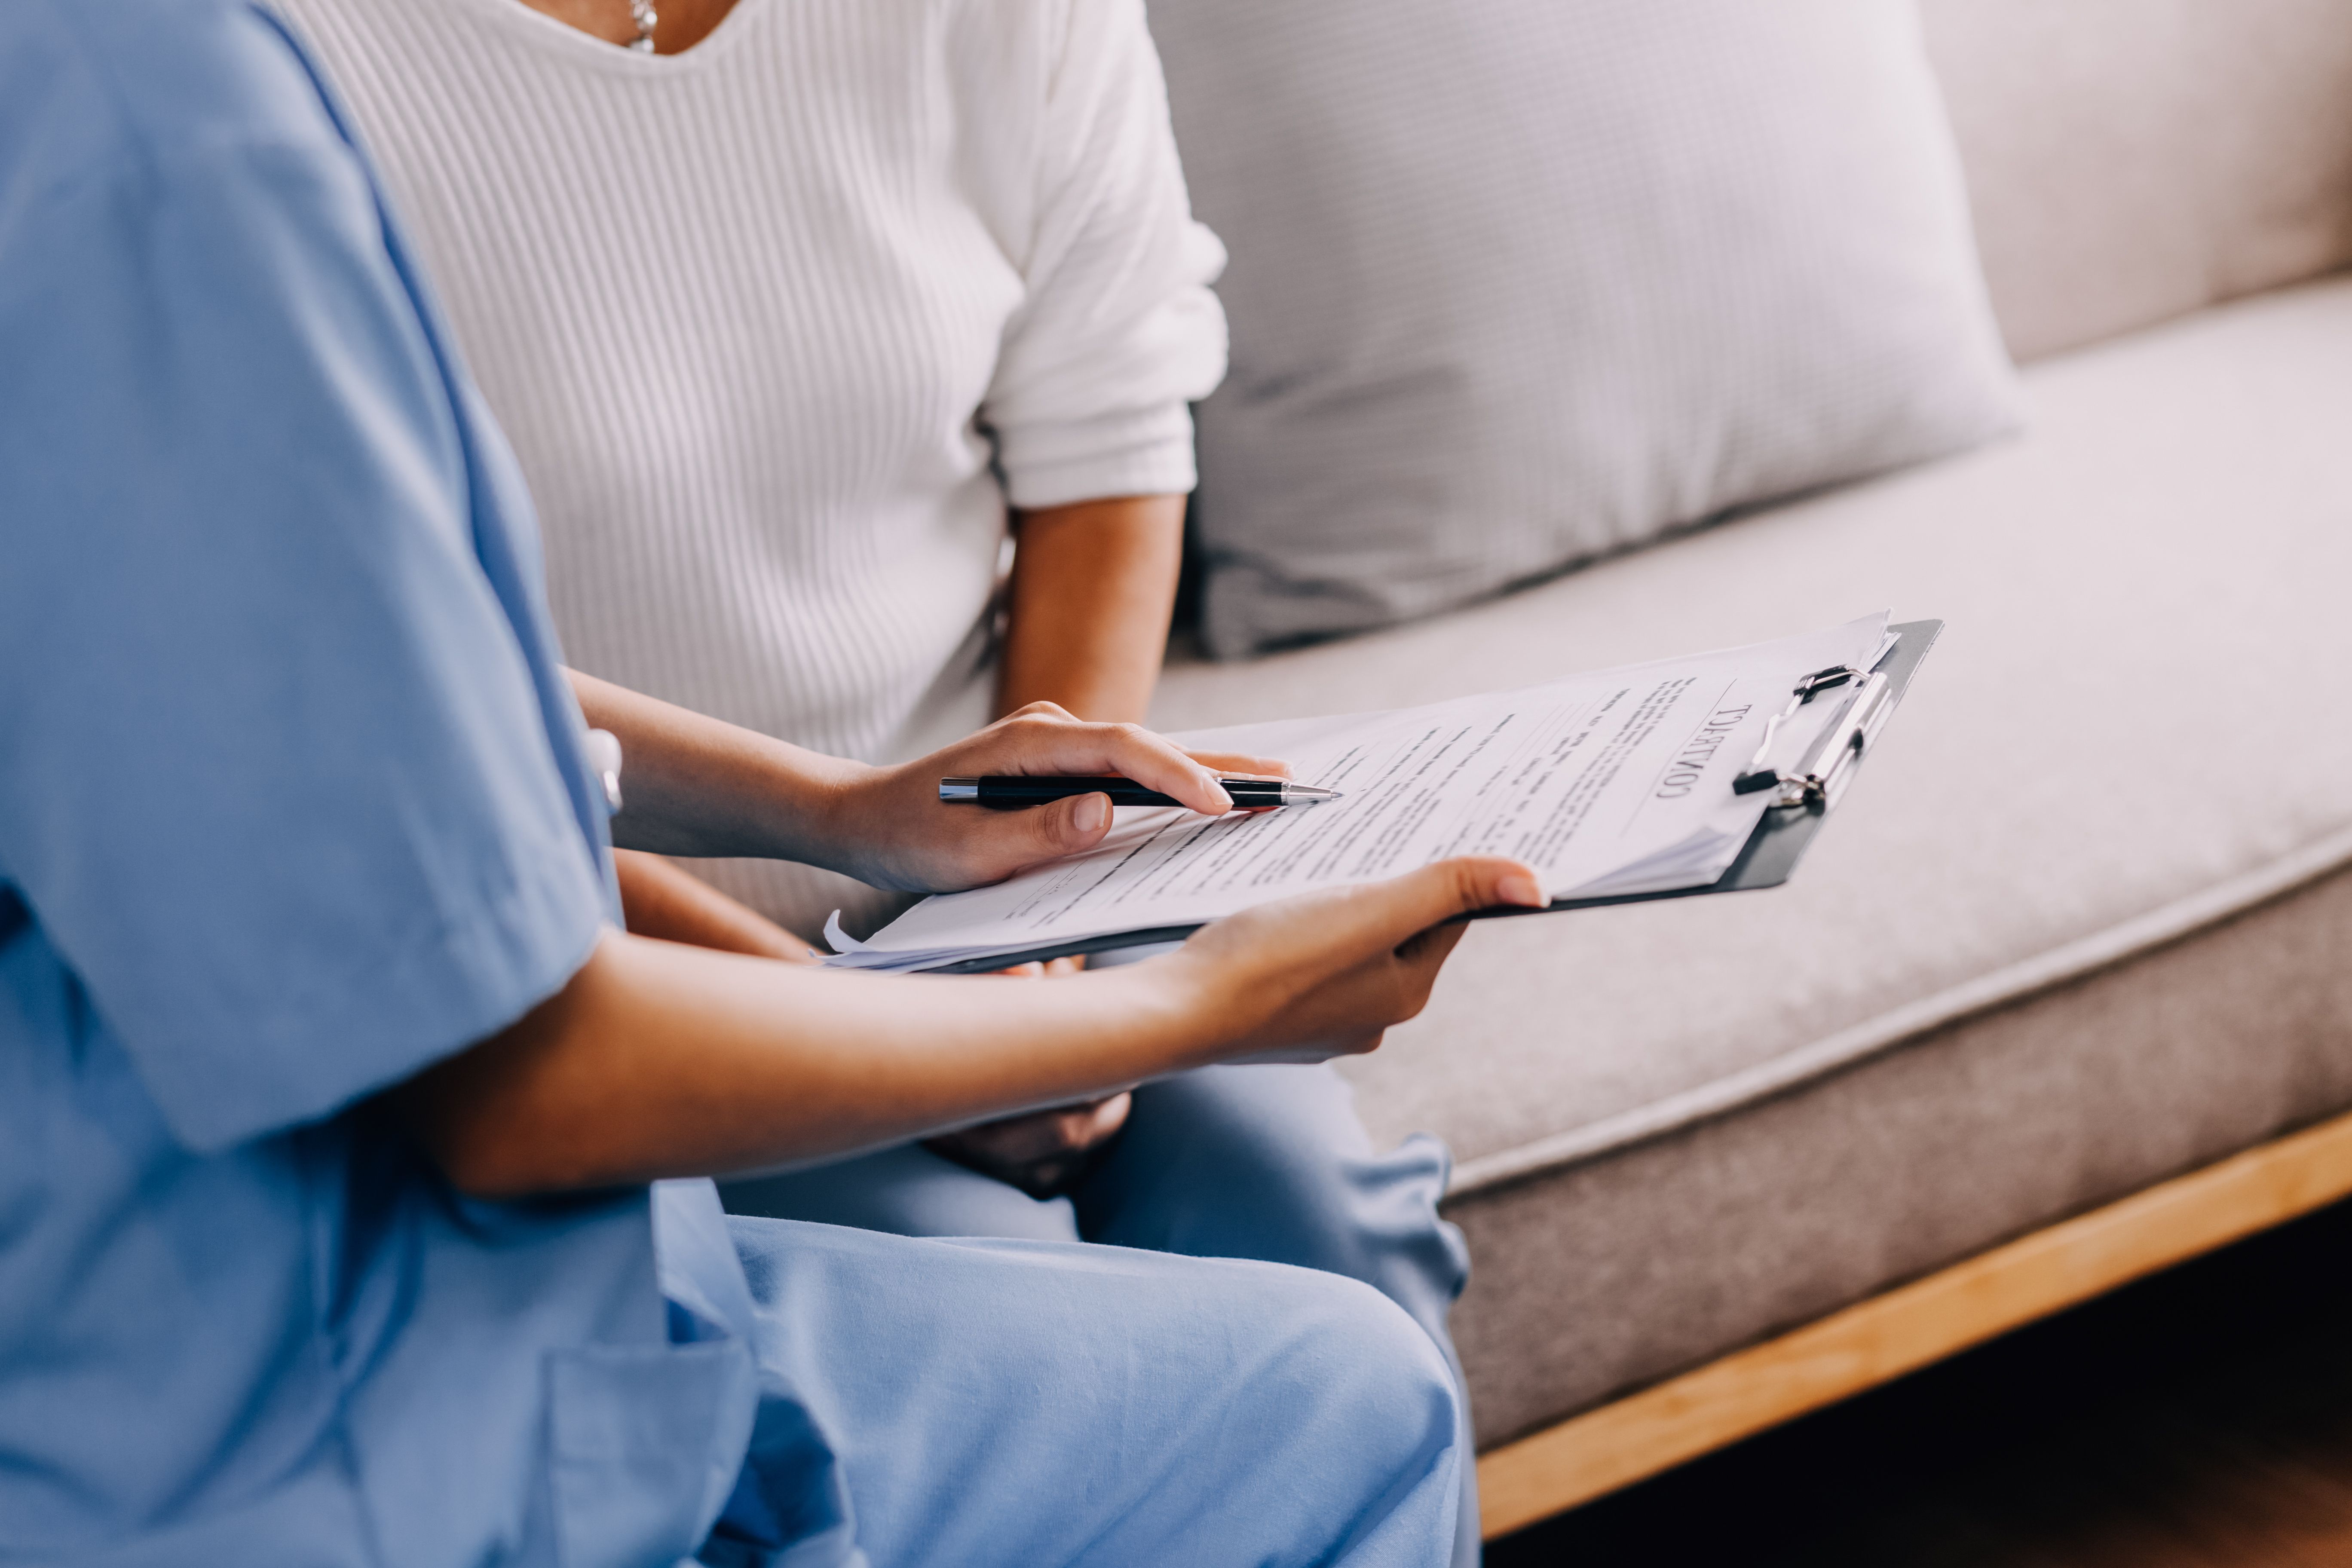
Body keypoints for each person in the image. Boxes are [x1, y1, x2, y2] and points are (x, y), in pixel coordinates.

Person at [0, 1, 1547, 1562]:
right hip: (555, 1067)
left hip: (930, 905)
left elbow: (369, 692)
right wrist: (1149, 1011)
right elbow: (481, 1004)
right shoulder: (166, 107)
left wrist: (867, 826)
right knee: (1319, 1396)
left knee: (1324, 1241)